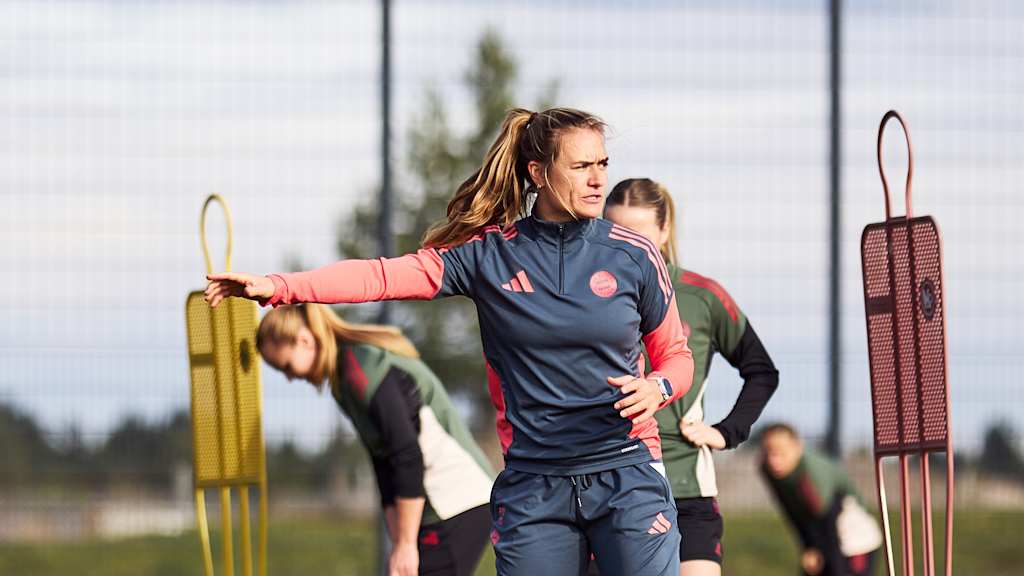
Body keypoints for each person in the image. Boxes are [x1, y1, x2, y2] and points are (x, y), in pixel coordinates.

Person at [205, 107, 695, 576]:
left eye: (602, 164)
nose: (597, 179)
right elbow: (382, 277)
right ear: (538, 173)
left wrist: (659, 387)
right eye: (581, 165)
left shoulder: (635, 256)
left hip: (626, 472)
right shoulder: (488, 256)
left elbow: (676, 356)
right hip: (534, 487)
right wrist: (280, 288)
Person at [604, 178, 780, 575]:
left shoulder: (701, 297)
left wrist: (725, 431)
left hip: (686, 487)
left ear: (664, 232)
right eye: (616, 233)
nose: (627, 247)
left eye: (639, 235)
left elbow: (762, 372)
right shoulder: (587, 293)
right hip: (610, 483)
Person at [256, 303, 494, 576]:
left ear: (305, 340)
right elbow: (382, 459)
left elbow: (407, 455)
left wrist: (405, 544)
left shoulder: (363, 368)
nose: (289, 377)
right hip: (432, 507)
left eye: (286, 365)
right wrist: (399, 538)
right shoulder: (343, 381)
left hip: (457, 499)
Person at [759, 423, 882, 576]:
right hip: (820, 533)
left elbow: (827, 518)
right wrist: (808, 547)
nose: (773, 460)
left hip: (853, 538)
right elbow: (792, 513)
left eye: (781, 453)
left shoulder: (810, 473)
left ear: (797, 448)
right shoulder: (768, 470)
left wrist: (817, 551)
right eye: (768, 452)